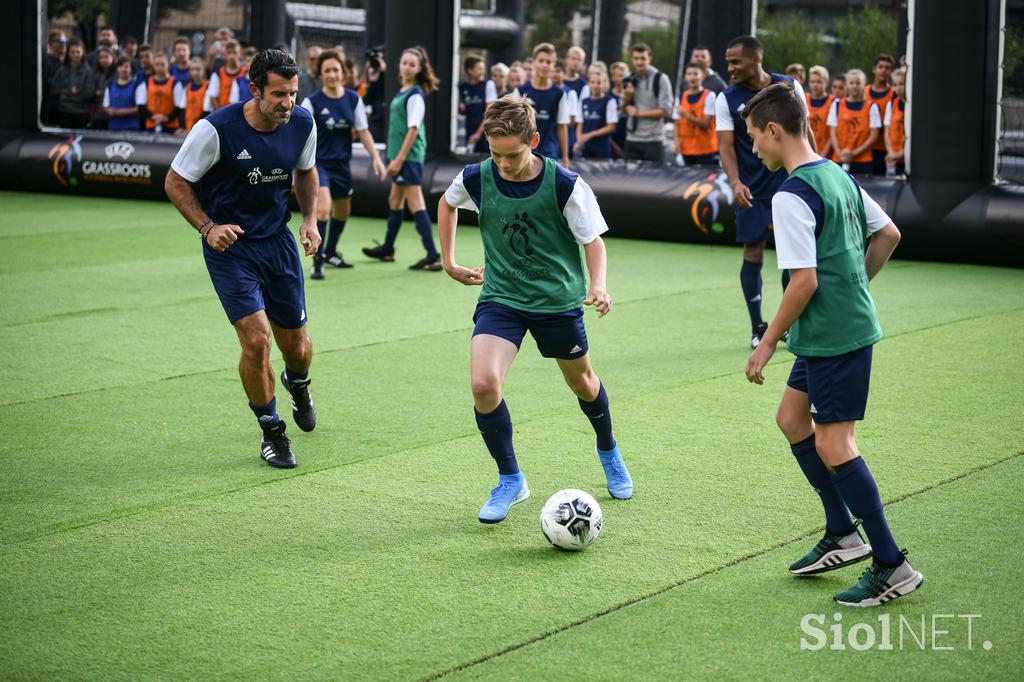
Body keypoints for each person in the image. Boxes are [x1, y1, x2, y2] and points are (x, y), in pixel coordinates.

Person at [741, 81, 921, 607]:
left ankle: (892, 563)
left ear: (775, 131)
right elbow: (888, 234)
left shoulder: (792, 194)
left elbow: (804, 282)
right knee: (793, 420)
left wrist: (766, 343)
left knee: (835, 444)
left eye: (754, 138)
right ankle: (843, 533)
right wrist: (858, 286)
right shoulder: (836, 175)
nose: (753, 149)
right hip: (826, 332)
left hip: (833, 336)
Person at [437, 95, 634, 524]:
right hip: (502, 298)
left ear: (534, 141)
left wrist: (598, 285)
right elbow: (448, 203)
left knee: (583, 383)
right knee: (484, 383)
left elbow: (593, 241)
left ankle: (608, 449)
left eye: (514, 155)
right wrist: (449, 260)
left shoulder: (565, 184)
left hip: (557, 303)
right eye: (495, 154)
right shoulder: (477, 176)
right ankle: (511, 479)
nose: (503, 164)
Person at [164, 49, 320, 470]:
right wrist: (207, 227)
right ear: (254, 91)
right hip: (230, 249)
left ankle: (298, 383)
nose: (288, 102)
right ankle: (272, 430)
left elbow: (306, 170)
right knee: (256, 340)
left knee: (298, 348)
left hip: (278, 243)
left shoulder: (303, 122)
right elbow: (176, 180)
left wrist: (310, 219)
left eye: (293, 92)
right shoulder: (215, 130)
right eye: (279, 95)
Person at [715, 35, 809, 348]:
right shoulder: (726, 98)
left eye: (735, 62)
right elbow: (725, 148)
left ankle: (788, 324)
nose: (729, 68)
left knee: (791, 254)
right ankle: (758, 327)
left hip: (789, 184)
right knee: (753, 251)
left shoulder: (790, 87)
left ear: (756, 60)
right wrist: (735, 182)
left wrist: (813, 173)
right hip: (751, 189)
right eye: (728, 62)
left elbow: (804, 134)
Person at [302, 49, 387, 277]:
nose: (332, 74)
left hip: (342, 165)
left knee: (343, 211)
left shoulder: (352, 98)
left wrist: (376, 158)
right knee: (323, 209)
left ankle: (330, 252)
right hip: (319, 165)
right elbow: (300, 135)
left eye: (335, 70)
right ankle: (317, 260)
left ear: (343, 73)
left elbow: (363, 131)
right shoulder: (311, 102)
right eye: (327, 70)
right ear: (320, 74)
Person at [361, 46, 443, 271]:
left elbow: (413, 130)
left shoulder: (415, 95)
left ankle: (432, 255)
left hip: (408, 158)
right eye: (404, 62)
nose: (406, 67)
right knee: (394, 201)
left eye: (411, 64)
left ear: (418, 69)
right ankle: (388, 248)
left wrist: (398, 161)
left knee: (416, 203)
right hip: (400, 157)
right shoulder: (403, 91)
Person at [514, 43, 571, 167]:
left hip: (549, 155)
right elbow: (513, 124)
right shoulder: (520, 91)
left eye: (548, 62)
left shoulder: (559, 94)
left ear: (553, 65)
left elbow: (562, 127)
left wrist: (565, 158)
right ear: (534, 62)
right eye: (541, 61)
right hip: (524, 154)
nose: (545, 65)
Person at [623, 43, 673, 163]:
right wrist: (627, 96)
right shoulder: (629, 78)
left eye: (643, 58)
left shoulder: (661, 79)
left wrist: (639, 113)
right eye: (636, 58)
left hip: (654, 140)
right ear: (632, 60)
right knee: (629, 180)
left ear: (650, 58)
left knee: (655, 180)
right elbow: (623, 108)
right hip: (632, 139)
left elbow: (665, 111)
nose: (639, 62)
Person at [827, 69, 881, 175]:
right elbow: (833, 132)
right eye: (851, 83)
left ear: (864, 85)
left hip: (863, 161)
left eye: (858, 83)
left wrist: (854, 154)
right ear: (847, 85)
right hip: (839, 158)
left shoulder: (871, 107)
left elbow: (874, 136)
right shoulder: (837, 105)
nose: (854, 86)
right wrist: (840, 153)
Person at [674, 62, 718, 165]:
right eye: (689, 74)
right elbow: (676, 123)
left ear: (702, 76)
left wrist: (686, 115)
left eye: (695, 74)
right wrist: (676, 143)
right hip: (686, 149)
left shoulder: (710, 96)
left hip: (705, 149)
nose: (692, 77)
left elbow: (706, 124)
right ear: (685, 77)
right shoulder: (680, 97)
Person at [51, 39, 96, 129]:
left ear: (83, 52)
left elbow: (89, 93)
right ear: (68, 53)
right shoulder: (62, 70)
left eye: (78, 52)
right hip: (64, 111)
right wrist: (70, 92)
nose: (75, 55)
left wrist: (66, 95)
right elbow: (55, 90)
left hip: (81, 112)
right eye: (72, 52)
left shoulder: (88, 71)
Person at [575, 69, 618, 159]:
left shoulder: (610, 101)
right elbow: (580, 123)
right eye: (592, 82)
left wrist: (590, 135)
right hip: (586, 148)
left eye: (599, 83)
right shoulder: (584, 101)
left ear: (605, 84)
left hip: (602, 148)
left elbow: (611, 127)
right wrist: (579, 140)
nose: (595, 85)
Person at [459, 54, 496, 153]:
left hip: (485, 134)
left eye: (483, 69)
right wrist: (461, 108)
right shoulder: (463, 87)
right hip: (470, 133)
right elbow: (463, 109)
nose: (482, 72)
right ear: (470, 70)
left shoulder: (488, 85)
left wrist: (478, 134)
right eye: (479, 69)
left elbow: (490, 113)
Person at [866, 54, 896, 176]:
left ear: (891, 71)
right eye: (880, 67)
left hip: (885, 148)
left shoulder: (894, 94)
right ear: (874, 69)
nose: (883, 70)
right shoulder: (864, 91)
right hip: (866, 148)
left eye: (887, 68)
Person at [140, 53, 180, 133]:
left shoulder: (176, 83)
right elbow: (141, 106)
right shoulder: (146, 83)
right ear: (153, 66)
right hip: (151, 125)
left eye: (162, 64)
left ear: (168, 65)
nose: (160, 67)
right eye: (157, 64)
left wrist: (166, 118)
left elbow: (179, 107)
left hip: (171, 126)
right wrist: (153, 117)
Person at [103, 55, 143, 131]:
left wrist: (121, 112)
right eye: (121, 66)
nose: (123, 69)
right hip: (113, 127)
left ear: (131, 69)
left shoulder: (137, 85)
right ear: (117, 68)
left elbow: (139, 108)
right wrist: (109, 110)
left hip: (131, 128)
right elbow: (105, 105)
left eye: (126, 66)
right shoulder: (110, 85)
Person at [805, 65, 834, 161]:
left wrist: (822, 155)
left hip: (827, 155)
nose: (815, 85)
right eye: (812, 81)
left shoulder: (833, 102)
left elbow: (833, 133)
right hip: (806, 152)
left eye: (819, 81)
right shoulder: (804, 99)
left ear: (826, 83)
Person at [207, 39, 246, 111]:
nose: (232, 56)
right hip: (223, 112)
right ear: (225, 54)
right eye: (229, 53)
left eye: (234, 53)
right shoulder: (218, 73)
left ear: (240, 53)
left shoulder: (245, 72)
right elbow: (212, 97)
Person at [883, 67, 907, 176]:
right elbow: (887, 131)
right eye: (895, 84)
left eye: (901, 84)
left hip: (907, 157)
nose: (898, 88)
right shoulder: (892, 104)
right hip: (893, 156)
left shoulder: (914, 105)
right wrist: (891, 152)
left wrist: (901, 153)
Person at [178, 57, 211, 133]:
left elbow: (206, 111)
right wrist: (182, 127)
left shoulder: (207, 86)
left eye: (198, 69)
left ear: (203, 70)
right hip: (187, 129)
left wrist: (196, 129)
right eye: (193, 69)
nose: (195, 72)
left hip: (201, 129)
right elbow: (182, 109)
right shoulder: (187, 87)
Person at [42, 31, 67, 125]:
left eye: (64, 41)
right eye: (59, 41)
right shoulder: (46, 61)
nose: (62, 44)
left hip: (66, 107)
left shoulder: (66, 61)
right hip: (51, 106)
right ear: (50, 43)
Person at [91, 47, 116, 129]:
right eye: (101, 57)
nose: (103, 60)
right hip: (98, 114)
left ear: (113, 57)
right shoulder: (97, 74)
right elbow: (92, 92)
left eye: (106, 57)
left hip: (114, 114)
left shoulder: (118, 74)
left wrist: (101, 92)